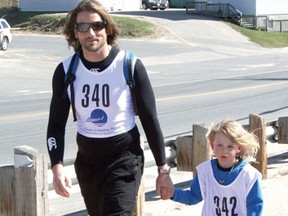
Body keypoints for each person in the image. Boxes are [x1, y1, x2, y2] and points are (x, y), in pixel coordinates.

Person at [46, 0, 172, 215]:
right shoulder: (66, 70)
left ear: (108, 28)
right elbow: (56, 124)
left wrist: (163, 169)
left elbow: (150, 120)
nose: (91, 33)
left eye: (97, 25)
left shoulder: (130, 66)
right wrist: (57, 166)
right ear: (75, 33)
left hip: (124, 159)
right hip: (87, 163)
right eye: (83, 27)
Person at [161, 119, 264, 215]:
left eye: (230, 146)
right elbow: (193, 196)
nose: (224, 151)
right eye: (219, 145)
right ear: (212, 145)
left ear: (239, 148)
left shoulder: (249, 175)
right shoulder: (205, 171)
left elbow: (255, 206)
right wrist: (173, 193)